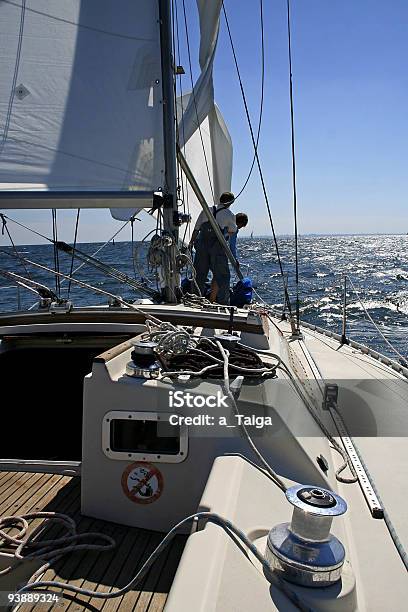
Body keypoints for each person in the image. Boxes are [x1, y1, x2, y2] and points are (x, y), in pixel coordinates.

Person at [189, 191, 237, 305]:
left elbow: (196, 229)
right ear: (230, 202)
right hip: (217, 247)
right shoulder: (229, 214)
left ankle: (195, 300)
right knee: (222, 276)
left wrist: (191, 243)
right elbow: (232, 231)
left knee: (199, 275)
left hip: (202, 246)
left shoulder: (206, 210)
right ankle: (223, 303)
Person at [209, 212, 248, 302]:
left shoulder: (224, 220)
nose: (239, 229)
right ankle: (220, 301)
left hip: (207, 247)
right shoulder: (233, 227)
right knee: (223, 276)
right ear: (240, 223)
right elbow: (232, 245)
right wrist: (235, 260)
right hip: (216, 250)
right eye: (241, 226)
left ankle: (212, 298)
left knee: (216, 275)